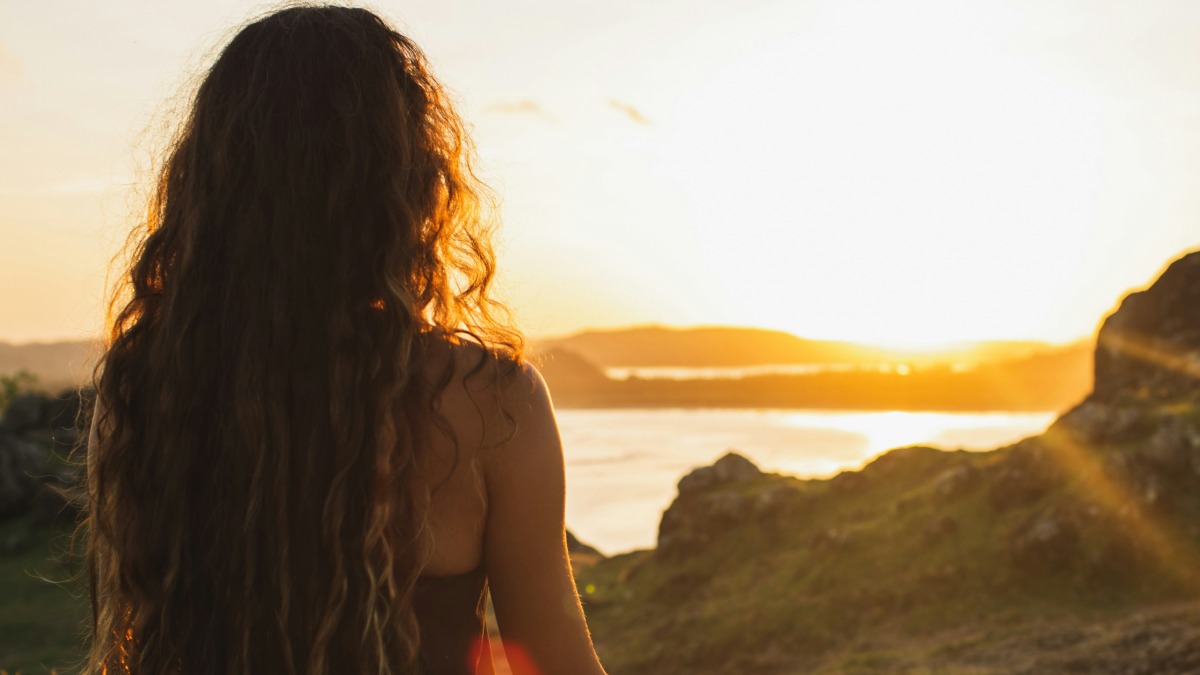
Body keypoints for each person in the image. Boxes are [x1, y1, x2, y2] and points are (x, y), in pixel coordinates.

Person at [84, 6, 607, 674]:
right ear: (409, 180)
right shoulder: (490, 402)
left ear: (212, 187)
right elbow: (559, 660)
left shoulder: (144, 389)